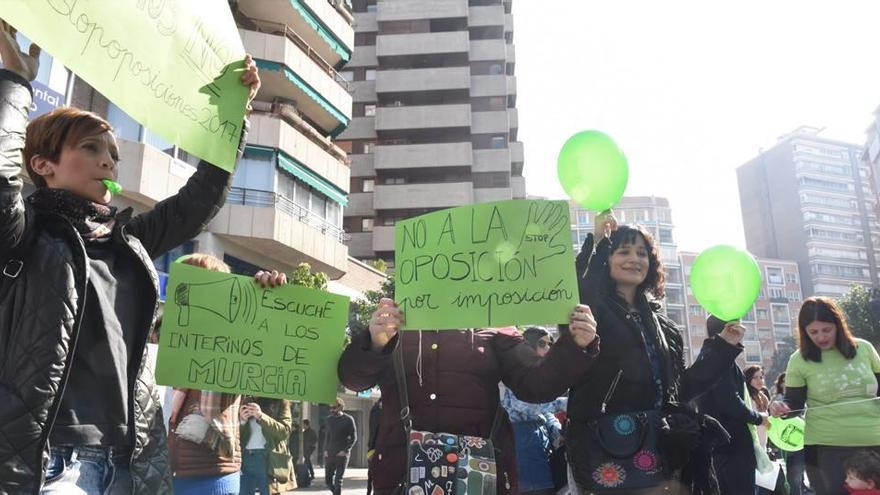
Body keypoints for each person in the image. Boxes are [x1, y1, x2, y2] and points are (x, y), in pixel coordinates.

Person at [0, 19, 260, 494]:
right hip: (49, 462)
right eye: (91, 148)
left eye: (113, 154)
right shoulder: (22, 233)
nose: (108, 161)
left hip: (131, 462)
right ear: (43, 165)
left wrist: (232, 115)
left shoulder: (130, 242)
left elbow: (198, 201)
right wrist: (16, 81)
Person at [338, 296, 600, 495]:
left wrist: (574, 345)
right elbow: (353, 379)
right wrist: (374, 343)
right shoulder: (392, 325)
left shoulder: (495, 324)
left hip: (478, 474)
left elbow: (536, 385)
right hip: (400, 475)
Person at [567, 211, 745, 494]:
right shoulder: (593, 311)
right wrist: (599, 241)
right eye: (623, 251)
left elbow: (681, 389)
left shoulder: (664, 325)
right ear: (607, 260)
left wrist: (723, 346)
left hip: (661, 446)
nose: (634, 259)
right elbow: (578, 290)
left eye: (642, 253)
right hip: (606, 443)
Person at [770, 297, 880, 495]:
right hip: (825, 449)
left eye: (826, 330)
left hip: (873, 442)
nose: (821, 337)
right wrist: (781, 408)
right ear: (804, 333)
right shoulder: (798, 360)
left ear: (838, 325)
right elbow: (793, 403)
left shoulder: (864, 349)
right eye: (813, 332)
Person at [696, 316, 771, 495]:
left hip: (719, 443)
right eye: (739, 327)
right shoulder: (721, 360)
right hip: (732, 445)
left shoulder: (707, 355)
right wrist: (759, 418)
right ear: (730, 329)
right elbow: (729, 402)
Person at [500, 327, 568, 495]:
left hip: (540, 441)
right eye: (542, 343)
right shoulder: (512, 373)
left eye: (550, 343)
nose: (548, 348)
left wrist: (555, 431)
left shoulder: (541, 374)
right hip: (522, 443)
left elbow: (544, 413)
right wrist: (562, 403)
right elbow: (525, 405)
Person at [240, 397, 295, 495]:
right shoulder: (246, 400)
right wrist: (242, 421)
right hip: (246, 457)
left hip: (268, 458)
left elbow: (285, 432)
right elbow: (236, 435)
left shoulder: (281, 402)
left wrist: (261, 416)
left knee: (269, 492)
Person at [773, 372, 808, 495]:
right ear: (780, 384)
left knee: (797, 473)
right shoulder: (777, 400)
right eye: (785, 381)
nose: (788, 383)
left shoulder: (800, 399)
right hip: (785, 441)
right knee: (790, 474)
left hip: (799, 438)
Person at [324, 398, 357, 495]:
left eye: (334, 408)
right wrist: (325, 450)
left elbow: (354, 437)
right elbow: (327, 436)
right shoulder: (329, 419)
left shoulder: (348, 419)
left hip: (342, 454)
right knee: (328, 480)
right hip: (330, 453)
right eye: (330, 408)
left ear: (340, 407)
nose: (332, 410)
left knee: (338, 480)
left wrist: (346, 450)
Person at [366, 399, 382, 495]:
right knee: (373, 474)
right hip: (377, 446)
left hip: (378, 446)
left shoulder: (376, 409)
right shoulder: (376, 410)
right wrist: (371, 449)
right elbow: (373, 430)